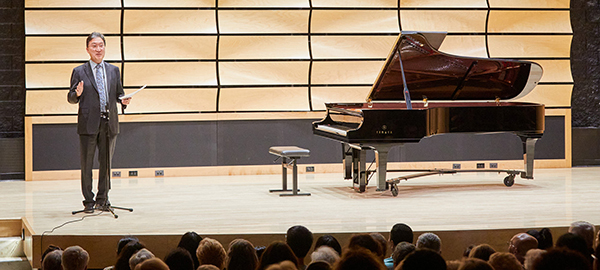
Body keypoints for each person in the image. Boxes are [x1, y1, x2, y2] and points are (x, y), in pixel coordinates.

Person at [67, 31, 132, 213]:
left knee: (106, 164)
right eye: (94, 46)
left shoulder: (113, 70)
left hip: (108, 123)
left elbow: (119, 93)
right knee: (87, 165)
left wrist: (123, 100)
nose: (98, 49)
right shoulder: (79, 71)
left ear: (105, 47)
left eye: (101, 45)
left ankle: (103, 199)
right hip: (88, 124)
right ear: (87, 49)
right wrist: (77, 94)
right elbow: (71, 98)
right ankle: (88, 201)